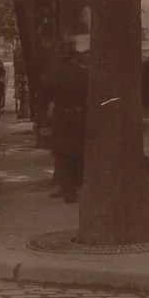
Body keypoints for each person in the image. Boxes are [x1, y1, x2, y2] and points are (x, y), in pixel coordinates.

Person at [38, 34, 89, 203]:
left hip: (61, 116)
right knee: (78, 152)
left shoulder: (54, 74)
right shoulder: (84, 73)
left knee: (62, 153)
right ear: (75, 55)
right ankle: (75, 187)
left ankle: (67, 189)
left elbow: (44, 97)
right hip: (81, 115)